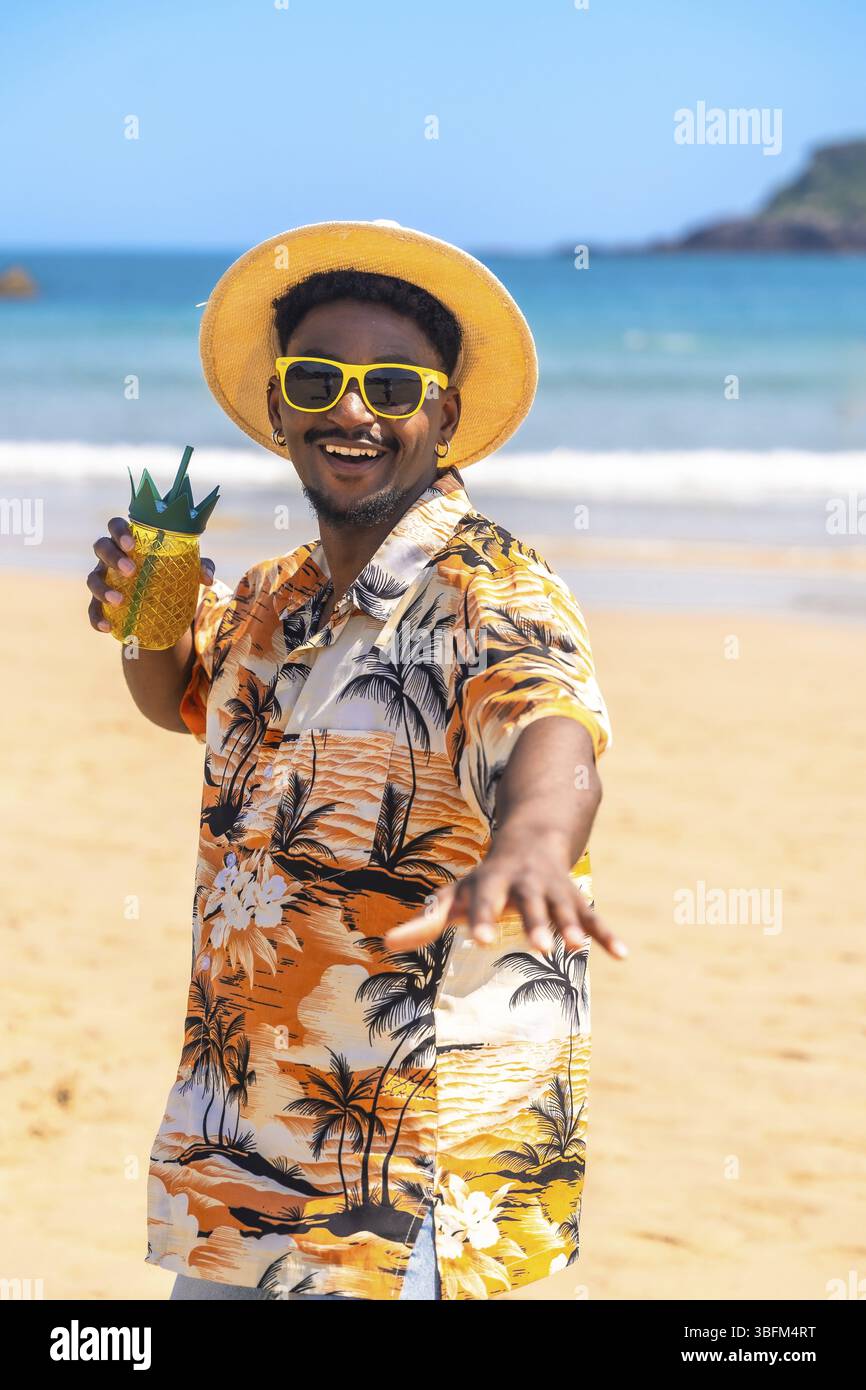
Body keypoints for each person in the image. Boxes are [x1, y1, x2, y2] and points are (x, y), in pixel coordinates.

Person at [87, 220, 627, 1301]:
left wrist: (530, 841)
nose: (352, 409)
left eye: (390, 383)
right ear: (279, 406)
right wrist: (144, 616)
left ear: (443, 413)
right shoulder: (275, 596)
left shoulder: (490, 591)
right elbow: (182, 701)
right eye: (320, 379)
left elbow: (551, 726)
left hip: (399, 1183)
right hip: (237, 1150)